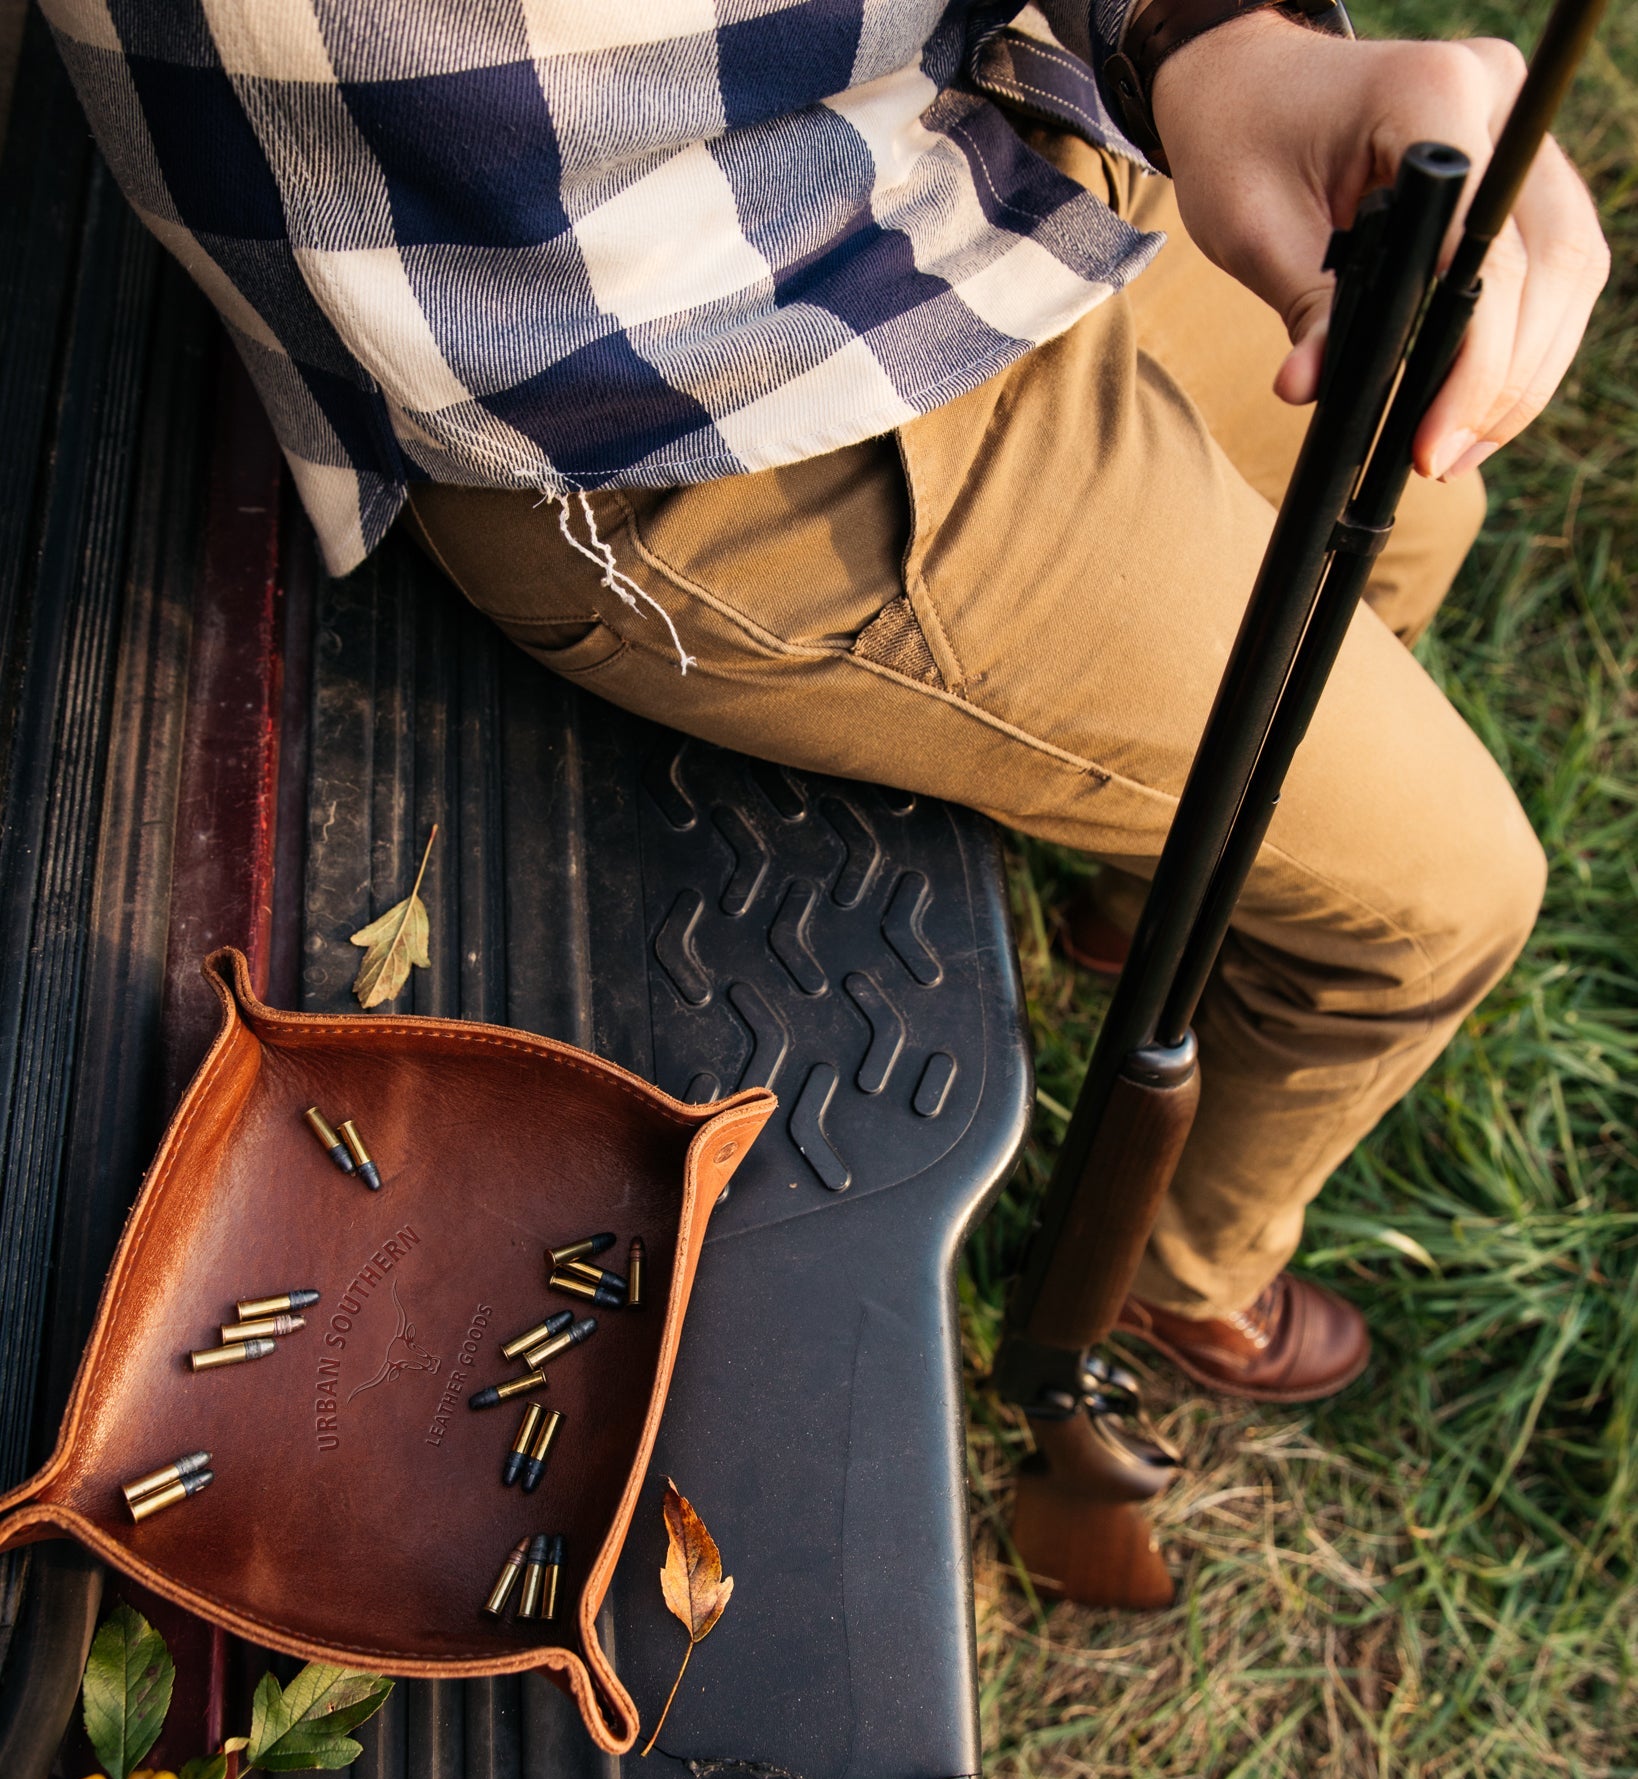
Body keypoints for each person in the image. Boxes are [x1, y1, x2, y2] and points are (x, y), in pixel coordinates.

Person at [44, 0, 1608, 1403]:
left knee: (1422, 496)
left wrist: (1213, 39)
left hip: (957, 135)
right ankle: (1170, 1277)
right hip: (707, 382)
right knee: (1442, 905)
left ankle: (1164, 892)